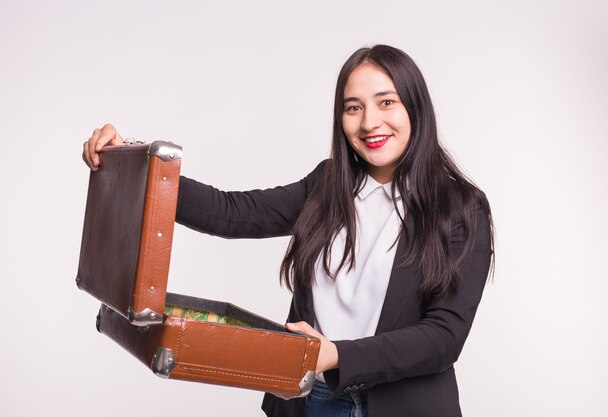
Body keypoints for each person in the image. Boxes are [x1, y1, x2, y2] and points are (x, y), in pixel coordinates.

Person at [82, 44, 494, 417]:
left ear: (415, 108)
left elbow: (443, 337)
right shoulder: (328, 184)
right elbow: (230, 212)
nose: (370, 122)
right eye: (353, 108)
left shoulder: (461, 208)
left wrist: (336, 356)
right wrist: (138, 162)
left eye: (386, 102)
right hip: (308, 400)